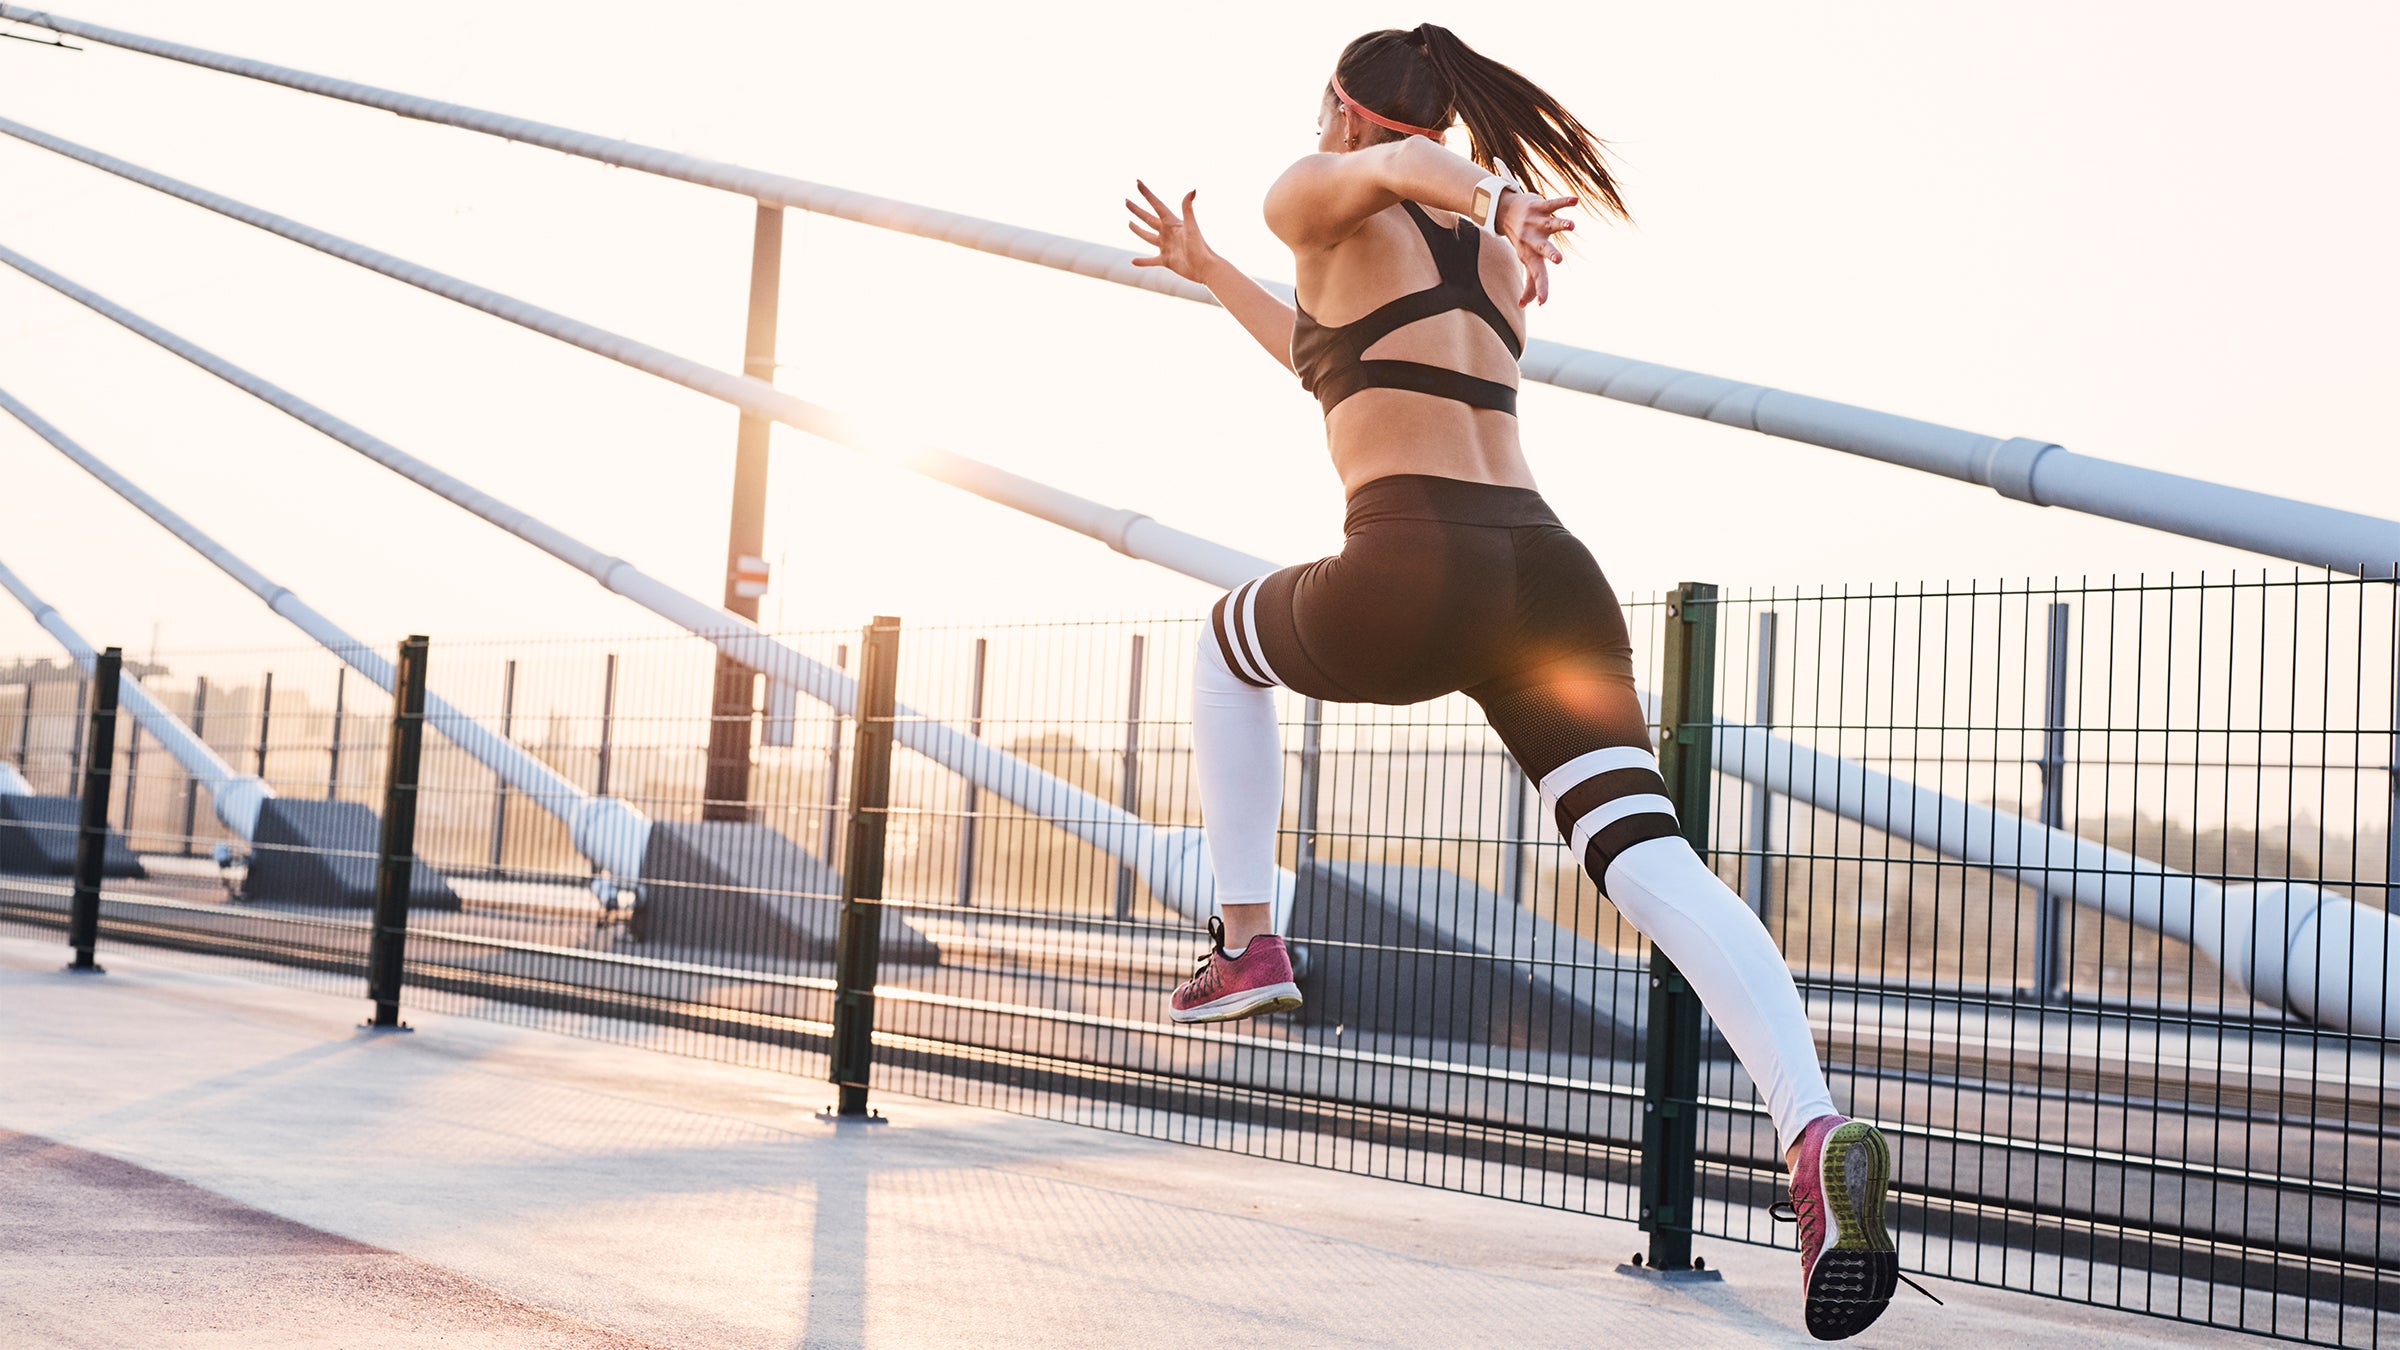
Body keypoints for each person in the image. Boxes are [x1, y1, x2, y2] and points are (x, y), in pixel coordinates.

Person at [1125, 24, 1936, 1341]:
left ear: (1344, 109)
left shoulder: (1322, 188)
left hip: (1411, 563)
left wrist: (1489, 189)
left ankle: (1247, 937)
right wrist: (1211, 268)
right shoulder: (1489, 263)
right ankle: (1813, 1129)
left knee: (1226, 643)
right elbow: (1334, 356)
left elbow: (1398, 174)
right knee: (1652, 863)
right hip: (1548, 579)